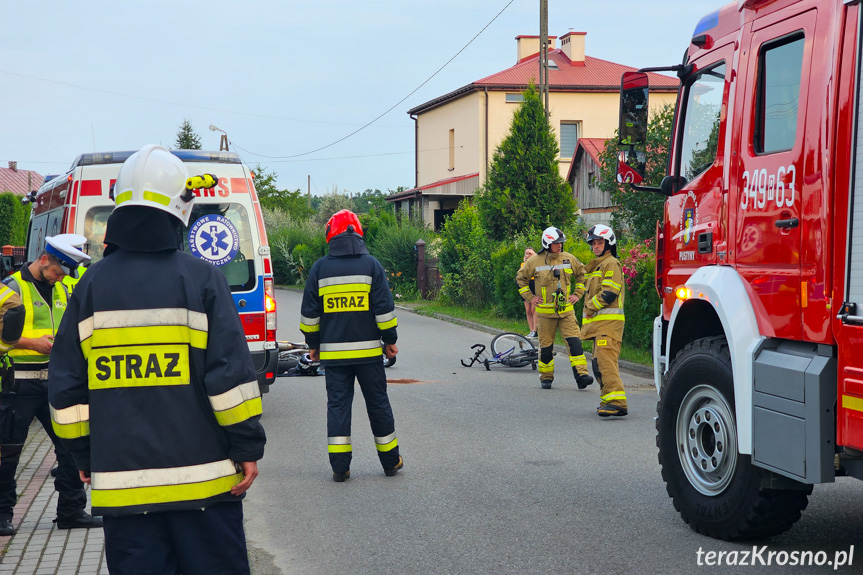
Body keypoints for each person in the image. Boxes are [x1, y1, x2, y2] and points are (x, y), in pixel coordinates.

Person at [48, 144, 266, 574]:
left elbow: (67, 389)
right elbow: (230, 380)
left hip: (125, 494)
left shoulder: (90, 286)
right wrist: (247, 446)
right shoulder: (203, 279)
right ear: (181, 207)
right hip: (206, 489)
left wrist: (83, 457)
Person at [0, 236, 100, 536]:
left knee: (71, 448)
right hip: (19, 384)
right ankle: (3, 515)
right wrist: (32, 343)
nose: (61, 277)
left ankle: (71, 512)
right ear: (45, 260)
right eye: (59, 270)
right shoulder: (10, 288)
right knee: (8, 453)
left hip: (56, 382)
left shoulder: (64, 288)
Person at [300, 209, 403, 482]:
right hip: (369, 355)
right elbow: (384, 309)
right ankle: (391, 462)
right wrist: (389, 340)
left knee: (338, 407)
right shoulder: (372, 266)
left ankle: (340, 468)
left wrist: (313, 344)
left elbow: (310, 315)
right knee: (378, 405)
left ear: (330, 235)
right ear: (358, 233)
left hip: (334, 357)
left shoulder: (320, 269)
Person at [516, 227, 594, 390]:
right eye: (556, 243)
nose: (560, 246)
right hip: (545, 314)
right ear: (547, 244)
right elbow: (521, 279)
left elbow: (582, 274)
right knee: (546, 348)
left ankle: (582, 376)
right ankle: (546, 378)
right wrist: (531, 297)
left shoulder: (568, 258)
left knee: (575, 343)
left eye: (561, 243)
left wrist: (578, 293)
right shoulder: (534, 261)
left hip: (566, 312)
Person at [582, 224, 628, 417]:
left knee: (606, 362)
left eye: (600, 242)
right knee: (598, 364)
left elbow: (608, 294)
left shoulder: (611, 264)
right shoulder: (597, 265)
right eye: (593, 243)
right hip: (599, 326)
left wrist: (589, 307)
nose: (596, 246)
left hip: (608, 326)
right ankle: (607, 399)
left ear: (609, 244)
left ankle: (617, 402)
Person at [521, 247, 538, 338]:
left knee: (533, 309)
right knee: (528, 310)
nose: (527, 255)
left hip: (534, 284)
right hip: (526, 286)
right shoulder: (523, 264)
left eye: (530, 253)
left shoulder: (536, 263)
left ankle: (535, 331)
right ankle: (531, 330)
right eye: (526, 253)